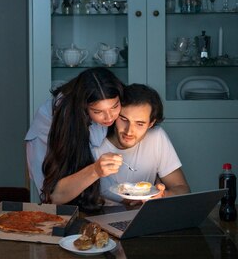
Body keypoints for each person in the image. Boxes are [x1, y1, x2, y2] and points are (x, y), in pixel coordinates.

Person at [25, 67, 124, 213]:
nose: (109, 117)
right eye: (98, 112)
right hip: (52, 149)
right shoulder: (60, 118)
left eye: (115, 107)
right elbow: (53, 196)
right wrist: (95, 170)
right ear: (84, 108)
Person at [95, 83, 190, 206]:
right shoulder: (96, 141)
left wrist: (163, 195)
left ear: (151, 123)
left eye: (139, 124)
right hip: (100, 217)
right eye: (124, 119)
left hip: (142, 216)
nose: (129, 131)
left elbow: (183, 188)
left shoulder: (156, 137)